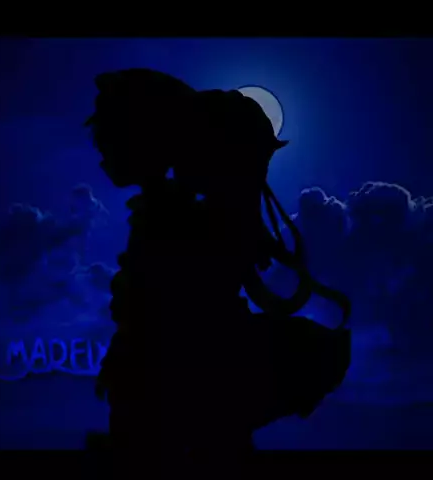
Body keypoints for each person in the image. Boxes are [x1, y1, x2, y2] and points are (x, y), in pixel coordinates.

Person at [86, 69, 351, 471]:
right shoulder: (186, 213)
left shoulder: (183, 217)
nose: (102, 154)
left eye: (109, 139)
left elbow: (158, 301)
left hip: (180, 367)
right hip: (177, 364)